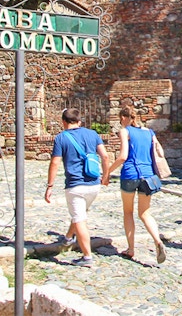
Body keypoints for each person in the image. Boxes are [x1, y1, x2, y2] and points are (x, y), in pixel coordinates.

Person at [45, 107, 110, 268]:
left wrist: (50, 185)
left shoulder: (61, 138)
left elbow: (55, 162)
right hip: (94, 184)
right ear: (79, 121)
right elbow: (105, 156)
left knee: (80, 219)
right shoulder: (93, 134)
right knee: (79, 213)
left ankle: (87, 256)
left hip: (75, 185)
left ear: (63, 122)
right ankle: (68, 237)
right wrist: (106, 176)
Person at [105, 106, 166, 264]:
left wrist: (107, 172)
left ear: (125, 118)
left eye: (120, 119)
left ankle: (131, 249)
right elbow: (160, 152)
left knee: (128, 212)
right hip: (148, 176)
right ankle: (158, 241)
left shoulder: (125, 131)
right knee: (145, 213)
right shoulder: (149, 132)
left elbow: (123, 156)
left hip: (130, 174)